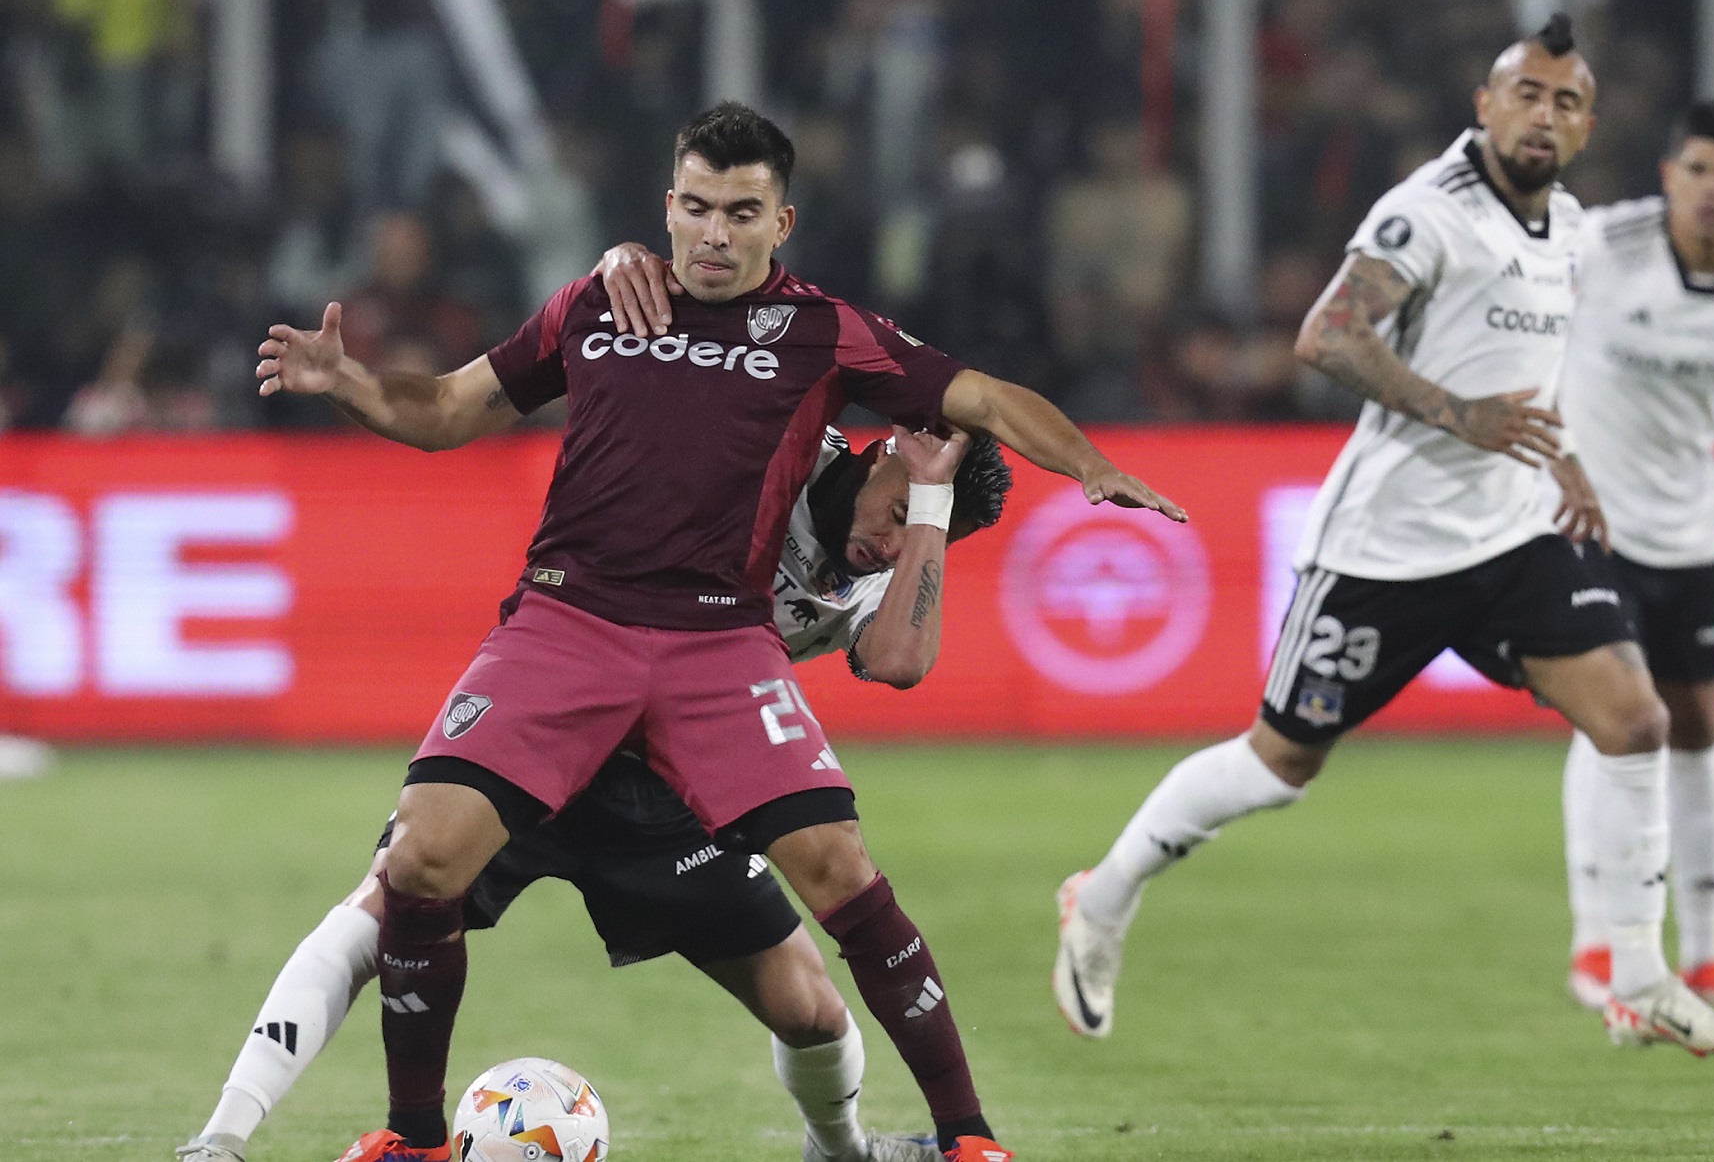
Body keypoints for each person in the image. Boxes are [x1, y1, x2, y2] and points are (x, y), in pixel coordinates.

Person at [254, 101, 1185, 1162]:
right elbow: (455, 408)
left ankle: (935, 1141)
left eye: (740, 213)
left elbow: (902, 652)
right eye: (695, 209)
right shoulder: (675, 345)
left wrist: (1061, 472)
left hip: (688, 725)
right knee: (406, 876)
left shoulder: (867, 474)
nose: (714, 233)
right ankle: (321, 1131)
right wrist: (363, 378)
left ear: (780, 222)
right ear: (669, 210)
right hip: (580, 675)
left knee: (818, 962)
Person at [1051, 15, 1714, 1058]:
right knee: (1277, 764)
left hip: (1516, 535)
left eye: (1566, 102)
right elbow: (1327, 334)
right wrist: (1459, 415)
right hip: (1388, 549)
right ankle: (1103, 894)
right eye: (1525, 93)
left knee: (1636, 719)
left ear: (1587, 125)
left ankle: (1642, 976)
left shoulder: (1566, 226)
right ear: (1486, 103)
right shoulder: (1431, 210)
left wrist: (1559, 460)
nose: (1543, 115)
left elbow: (1531, 366)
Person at [176, 410, 1013, 1162]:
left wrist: (930, 517)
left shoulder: (895, 575)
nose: (895, 544)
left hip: (674, 782)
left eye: (928, 534)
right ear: (881, 452)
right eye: (899, 512)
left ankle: (842, 1153)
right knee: (391, 897)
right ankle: (221, 1140)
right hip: (558, 722)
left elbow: (900, 660)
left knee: (813, 1013)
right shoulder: (774, 448)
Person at [1559, 101, 1714, 1016]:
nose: (1711, 188)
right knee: (1614, 717)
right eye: (1696, 169)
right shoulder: (1601, 249)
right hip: (1586, 526)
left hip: (1692, 530)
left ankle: (1707, 956)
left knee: (1697, 728)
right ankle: (1595, 945)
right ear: (1668, 176)